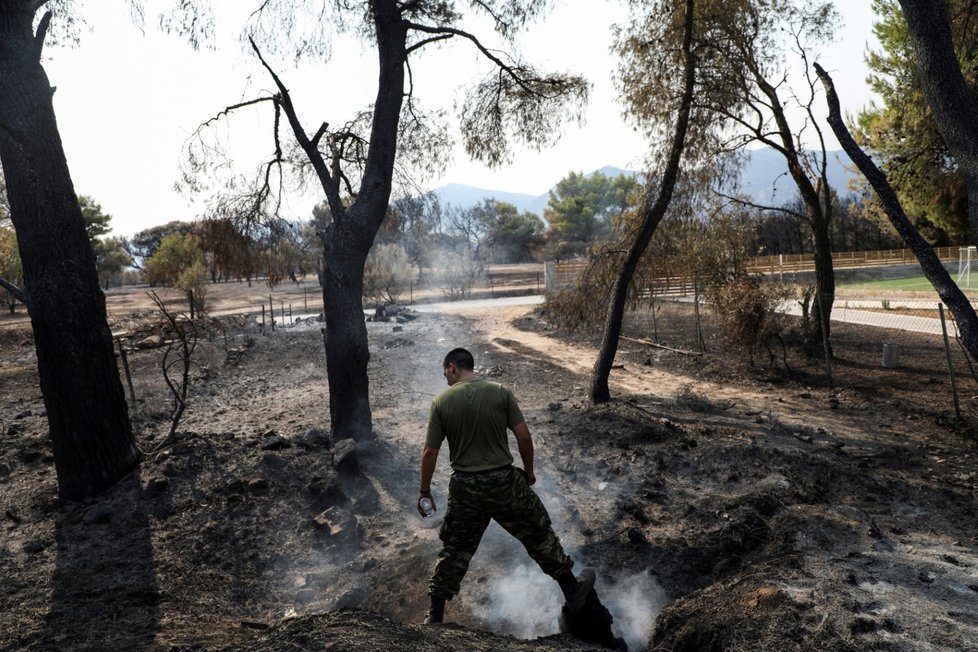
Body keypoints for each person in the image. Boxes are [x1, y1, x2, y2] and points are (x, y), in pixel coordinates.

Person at [417, 347, 595, 625]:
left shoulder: (441, 402)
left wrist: (424, 491)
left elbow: (429, 451)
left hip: (465, 488)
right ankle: (573, 590)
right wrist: (529, 471)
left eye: (446, 374)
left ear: (452, 367)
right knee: (538, 534)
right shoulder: (500, 392)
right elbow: (524, 436)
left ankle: (435, 614)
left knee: (455, 549)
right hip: (505, 482)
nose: (446, 380)